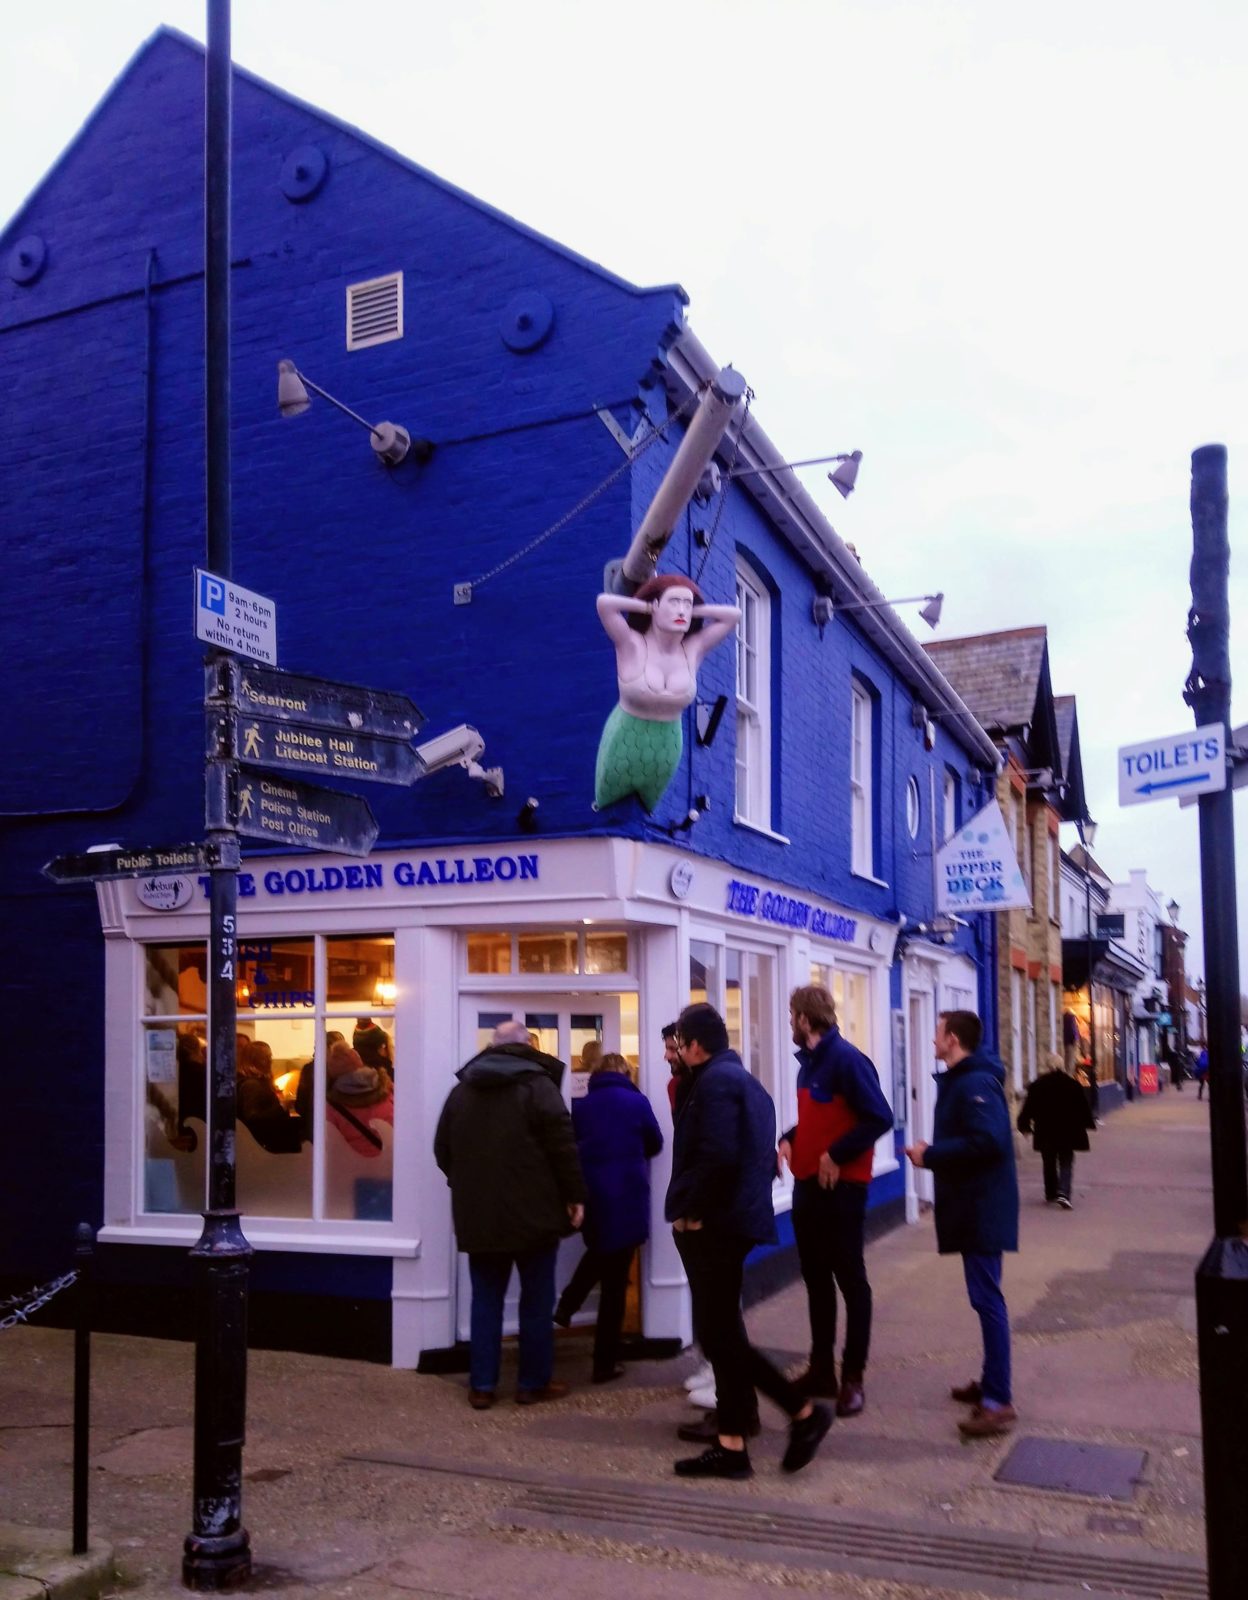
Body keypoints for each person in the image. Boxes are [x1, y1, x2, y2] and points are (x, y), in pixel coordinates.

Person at [666, 1002, 832, 1479]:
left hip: (715, 1226)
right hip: (733, 1222)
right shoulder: (743, 1081)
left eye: (680, 1044)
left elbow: (717, 1157)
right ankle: (733, 1446)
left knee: (723, 1338)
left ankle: (801, 1413)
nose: (677, 1053)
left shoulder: (716, 1083)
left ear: (696, 1045)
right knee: (724, 1337)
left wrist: (692, 1214)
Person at [433, 1020, 586, 1410]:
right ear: (528, 1047)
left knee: (486, 1299)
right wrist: (574, 1197)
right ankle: (531, 1384)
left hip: (479, 1215)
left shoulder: (461, 1092)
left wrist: (467, 1186)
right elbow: (563, 1147)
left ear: (491, 1047)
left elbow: (442, 1150)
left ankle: (482, 1386)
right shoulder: (539, 1088)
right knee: (536, 1301)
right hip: (535, 1215)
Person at [779, 985, 894, 1418]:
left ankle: (853, 1378)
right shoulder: (808, 1065)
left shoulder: (847, 1059)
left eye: (793, 1016)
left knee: (851, 1281)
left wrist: (837, 1154)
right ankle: (821, 1370)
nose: (790, 1022)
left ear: (807, 1020)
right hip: (807, 1185)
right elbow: (816, 1119)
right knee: (816, 1279)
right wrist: (789, 1139)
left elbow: (880, 1116)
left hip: (843, 1188)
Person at [904, 1009, 1019, 1439]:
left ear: (952, 1039)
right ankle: (991, 1384)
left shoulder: (974, 1083)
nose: (934, 1040)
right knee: (984, 1299)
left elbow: (989, 1140)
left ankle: (998, 1401)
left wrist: (930, 1155)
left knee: (988, 1300)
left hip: (982, 1208)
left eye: (937, 1033)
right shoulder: (968, 1080)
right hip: (977, 1205)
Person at [554, 1051, 664, 1383]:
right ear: (626, 1073)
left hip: (593, 1195)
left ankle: (568, 1304)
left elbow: (572, 1145)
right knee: (615, 1284)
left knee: (601, 1251)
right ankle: (603, 1363)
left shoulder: (582, 1106)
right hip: (628, 1194)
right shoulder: (637, 1102)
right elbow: (655, 1142)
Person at [594, 574, 740, 812]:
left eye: (687, 605)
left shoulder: (693, 649)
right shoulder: (631, 643)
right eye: (674, 602)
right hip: (625, 735)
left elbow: (733, 616)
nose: (682, 611)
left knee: (648, 810)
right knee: (610, 803)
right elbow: (605, 604)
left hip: (668, 744)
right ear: (655, 605)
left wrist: (695, 610)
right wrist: (645, 606)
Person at [1016, 1052, 1095, 1209]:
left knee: (1049, 1161)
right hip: (1068, 1131)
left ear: (1048, 1065)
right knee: (1066, 1161)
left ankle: (1051, 1192)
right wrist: (1087, 1124)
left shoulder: (1038, 1085)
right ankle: (1064, 1192)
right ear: (1061, 1065)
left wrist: (1024, 1125)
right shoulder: (1072, 1084)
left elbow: (1028, 1108)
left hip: (1046, 1131)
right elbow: (1083, 1107)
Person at [325, 1041, 394, 1157]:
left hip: (354, 1169)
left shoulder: (332, 1105)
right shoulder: (388, 1088)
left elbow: (330, 1144)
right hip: (392, 1165)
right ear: (360, 1062)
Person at [236, 1038, 303, 1154]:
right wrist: (282, 1105)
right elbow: (253, 1119)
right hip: (263, 1147)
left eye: (270, 1057)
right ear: (253, 1061)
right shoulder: (252, 1085)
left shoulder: (257, 1083)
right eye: (265, 1058)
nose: (270, 1061)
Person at [662, 1020, 690, 1116]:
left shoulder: (712, 1083)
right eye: (667, 1049)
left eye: (673, 1049)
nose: (666, 1056)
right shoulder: (674, 1085)